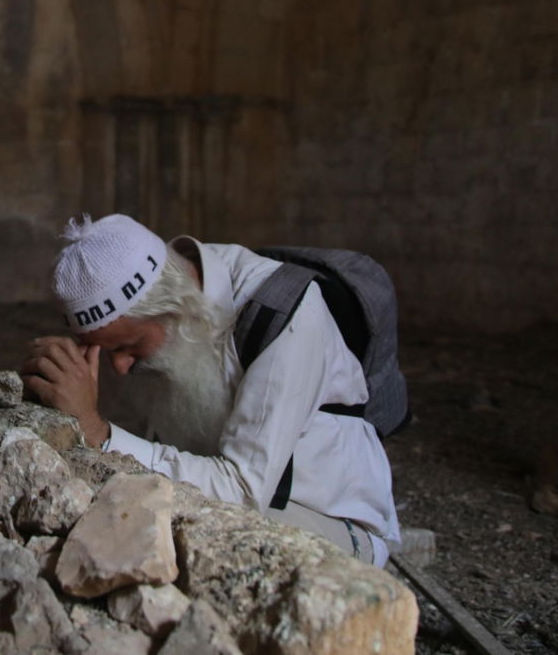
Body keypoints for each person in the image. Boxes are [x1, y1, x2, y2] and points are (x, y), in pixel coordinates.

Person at [20, 213, 400, 566]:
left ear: (176, 306)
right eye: (104, 350)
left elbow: (243, 492)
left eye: (126, 347)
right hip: (228, 494)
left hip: (329, 519)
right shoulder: (176, 281)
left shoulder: (285, 315)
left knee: (163, 536)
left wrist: (96, 431)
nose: (119, 368)